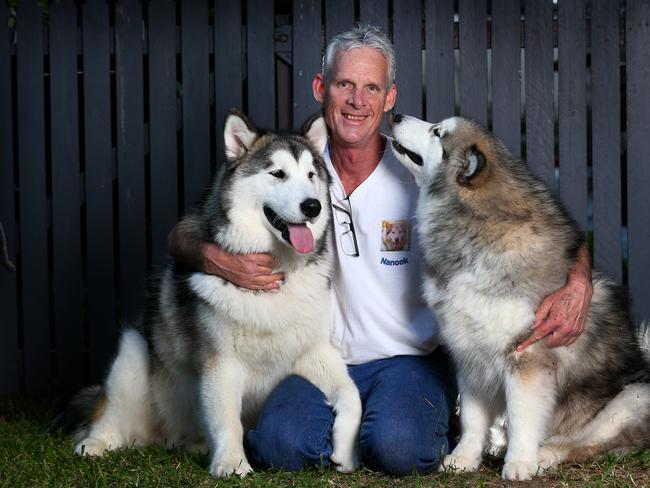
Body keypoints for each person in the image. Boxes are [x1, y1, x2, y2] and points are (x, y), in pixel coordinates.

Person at [168, 24, 593, 474]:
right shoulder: (300, 173)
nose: (357, 100)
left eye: (372, 87)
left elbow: (534, 222)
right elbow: (185, 234)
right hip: (323, 356)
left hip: (410, 361)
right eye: (344, 84)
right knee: (280, 447)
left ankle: (422, 419)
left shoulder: (424, 171)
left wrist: (579, 276)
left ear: (389, 97)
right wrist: (214, 258)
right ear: (321, 88)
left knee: (399, 448)